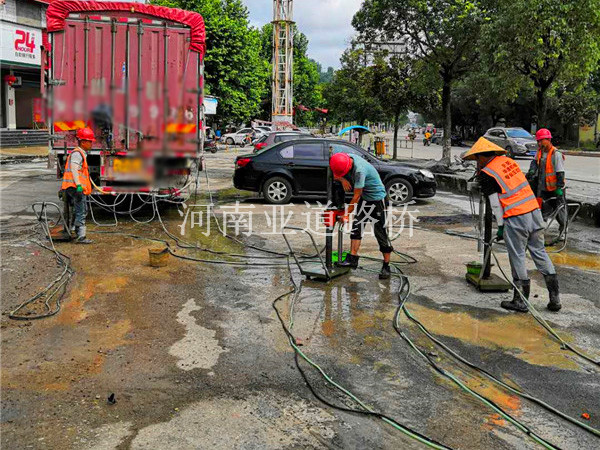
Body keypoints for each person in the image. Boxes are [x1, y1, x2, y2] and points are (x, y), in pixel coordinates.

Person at [462, 137, 561, 312]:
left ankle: (520, 301)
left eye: (477, 159)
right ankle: (555, 299)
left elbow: (494, 204)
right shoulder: (508, 161)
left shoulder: (487, 173)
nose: (477, 163)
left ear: (482, 157)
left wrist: (500, 227)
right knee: (540, 253)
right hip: (534, 213)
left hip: (516, 217)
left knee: (517, 256)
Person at [329, 152, 393, 280]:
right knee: (356, 227)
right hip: (365, 199)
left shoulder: (360, 171)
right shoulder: (343, 158)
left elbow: (356, 196)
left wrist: (346, 214)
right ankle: (353, 258)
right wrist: (342, 179)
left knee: (380, 233)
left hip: (377, 200)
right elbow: (335, 174)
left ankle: (386, 266)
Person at [527, 128, 567, 238]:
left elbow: (560, 172)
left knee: (560, 211)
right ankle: (540, 233)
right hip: (543, 188)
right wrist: (531, 171)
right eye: (538, 141)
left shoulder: (556, 154)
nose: (539, 143)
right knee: (543, 210)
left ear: (548, 139)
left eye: (541, 141)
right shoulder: (539, 152)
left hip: (556, 189)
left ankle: (563, 232)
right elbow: (534, 163)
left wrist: (559, 188)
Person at [61, 127, 95, 244]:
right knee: (81, 210)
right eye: (90, 141)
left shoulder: (80, 153)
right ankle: (81, 236)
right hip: (75, 187)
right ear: (83, 142)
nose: (91, 144)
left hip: (73, 187)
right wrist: (79, 185)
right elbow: (74, 170)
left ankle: (74, 230)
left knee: (78, 210)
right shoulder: (77, 154)